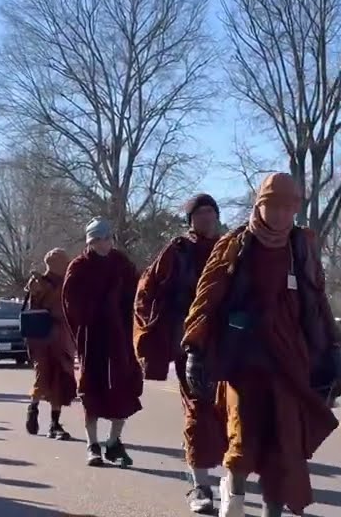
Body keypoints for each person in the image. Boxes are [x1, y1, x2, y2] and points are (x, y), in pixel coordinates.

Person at [181, 173, 341, 517]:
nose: (282, 215)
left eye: (289, 207)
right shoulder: (235, 245)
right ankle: (234, 505)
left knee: (282, 444)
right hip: (243, 360)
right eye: (274, 206)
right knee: (242, 438)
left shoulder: (302, 247)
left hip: (289, 362)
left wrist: (332, 350)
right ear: (260, 206)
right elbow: (206, 298)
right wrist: (195, 349)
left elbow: (317, 300)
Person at [134, 194, 226, 513]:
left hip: (231, 344)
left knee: (232, 414)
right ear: (190, 220)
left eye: (211, 212)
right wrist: (153, 329)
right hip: (191, 345)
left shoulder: (231, 248)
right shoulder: (178, 250)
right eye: (199, 213)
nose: (206, 218)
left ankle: (230, 478)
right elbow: (147, 290)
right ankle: (201, 486)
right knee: (199, 411)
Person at [62, 218, 143, 468]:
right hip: (92, 337)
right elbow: (70, 303)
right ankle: (92, 444)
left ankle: (113, 442)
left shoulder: (121, 263)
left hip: (120, 337)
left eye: (106, 238)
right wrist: (94, 312)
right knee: (92, 390)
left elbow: (138, 293)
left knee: (124, 388)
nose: (103, 243)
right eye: (97, 239)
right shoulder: (79, 267)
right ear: (90, 241)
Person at [23, 250, 78, 440]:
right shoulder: (39, 283)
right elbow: (33, 309)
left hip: (63, 338)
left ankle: (54, 424)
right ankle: (33, 408)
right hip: (43, 338)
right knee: (43, 375)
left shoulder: (69, 282)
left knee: (60, 379)